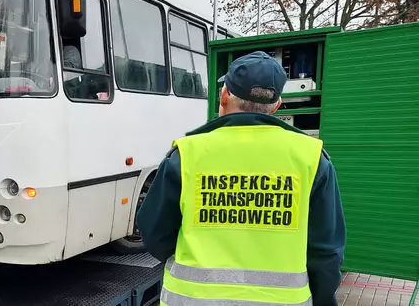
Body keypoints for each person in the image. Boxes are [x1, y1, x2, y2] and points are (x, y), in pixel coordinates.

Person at [136, 51, 346, 306]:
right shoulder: (311, 158)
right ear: (276, 105)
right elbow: (326, 252)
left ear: (224, 95)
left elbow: (154, 233)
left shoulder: (187, 154)